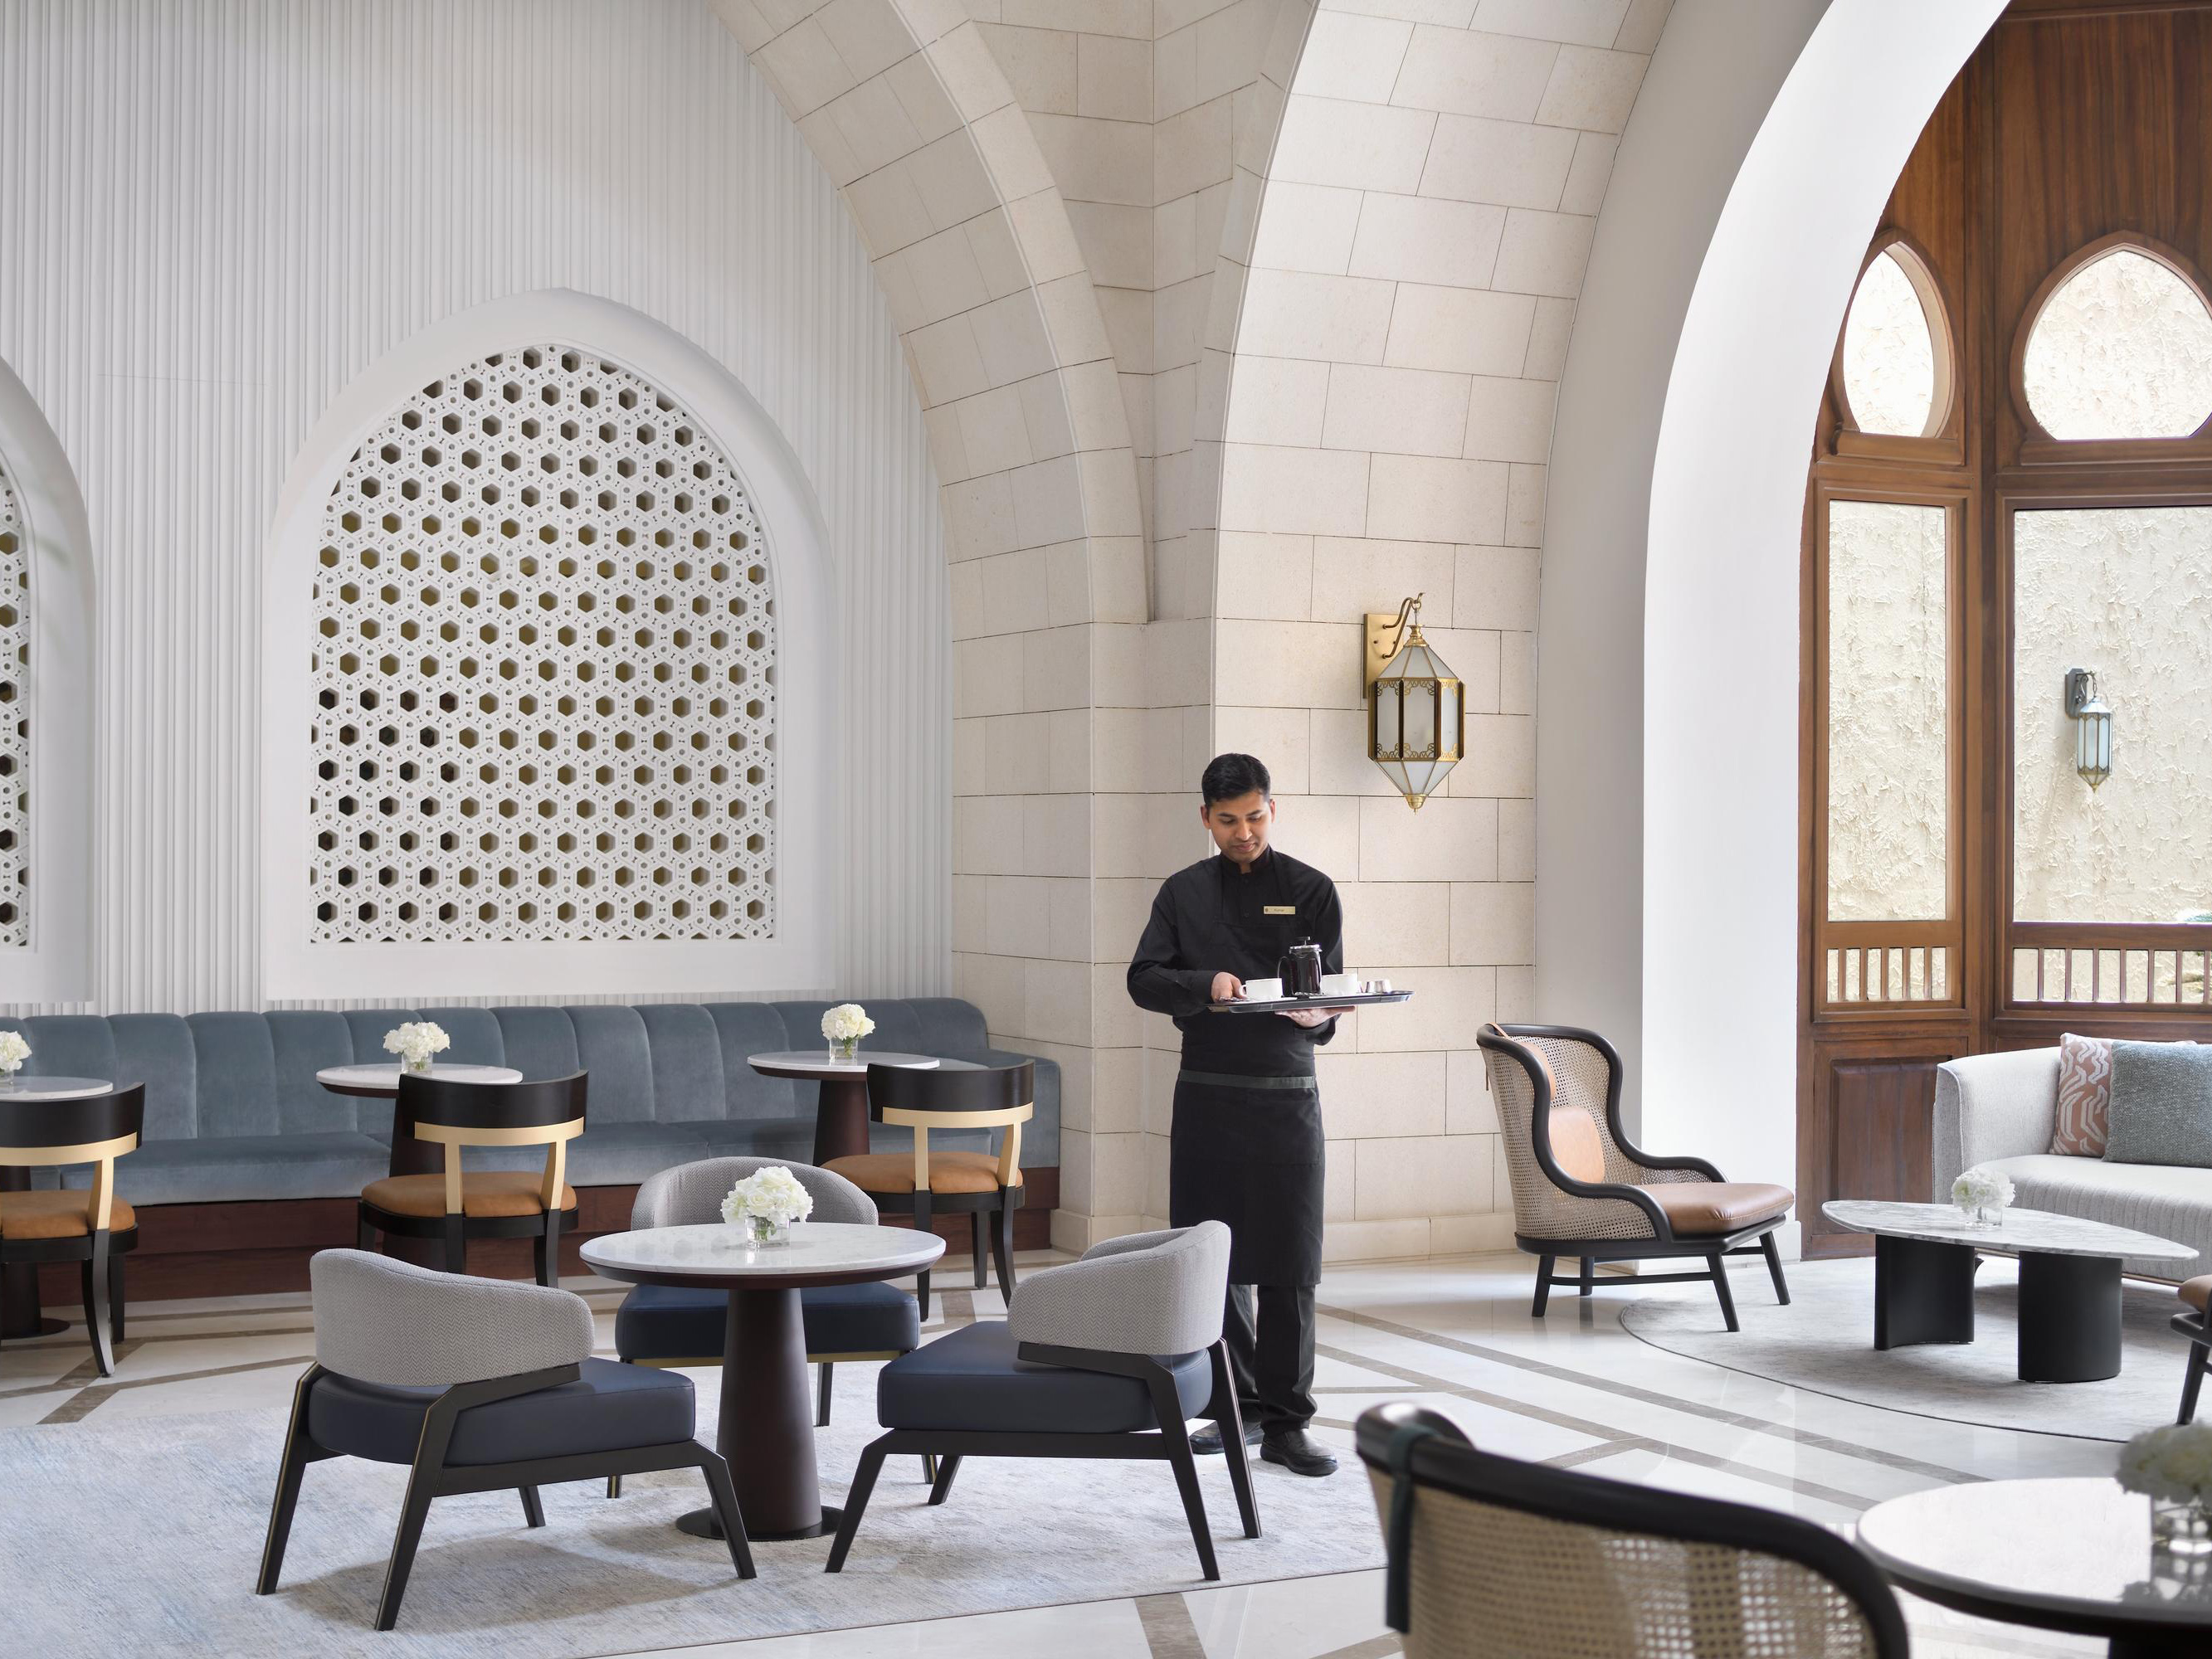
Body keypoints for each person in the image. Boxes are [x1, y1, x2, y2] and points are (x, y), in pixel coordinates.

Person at [1126, 752, 1342, 1477]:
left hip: (1287, 1096)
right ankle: (1234, 1409)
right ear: (1205, 819)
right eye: (1228, 820)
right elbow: (1143, 978)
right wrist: (1205, 983)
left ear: (1272, 810)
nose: (1244, 832)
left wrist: (1317, 1017)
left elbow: (1328, 995)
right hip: (1208, 1095)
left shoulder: (1312, 890)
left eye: (1254, 817)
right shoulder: (1182, 892)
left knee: (1290, 1265)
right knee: (1213, 1262)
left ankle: (1288, 1423)